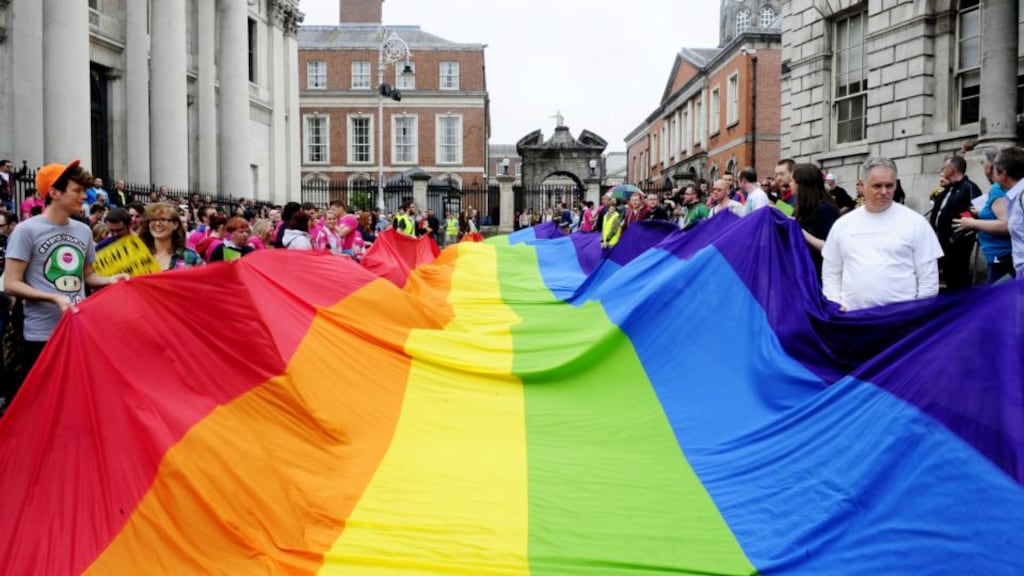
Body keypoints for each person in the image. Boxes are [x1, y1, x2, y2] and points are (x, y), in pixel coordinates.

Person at [3, 160, 128, 395]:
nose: (84, 196)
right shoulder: (26, 230)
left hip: (79, 331)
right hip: (40, 336)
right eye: (77, 190)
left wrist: (112, 280)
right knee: (44, 403)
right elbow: (11, 283)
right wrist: (54, 298)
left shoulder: (83, 230)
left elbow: (88, 276)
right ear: (54, 192)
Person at [821, 157, 943, 311]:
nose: (884, 192)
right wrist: (835, 305)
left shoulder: (916, 223)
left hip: (900, 321)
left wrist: (917, 313)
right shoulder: (842, 225)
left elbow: (928, 278)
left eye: (889, 185)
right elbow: (831, 272)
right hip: (852, 320)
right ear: (863, 185)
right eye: (877, 186)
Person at [953, 149, 1013, 282]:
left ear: (990, 166)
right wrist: (980, 212)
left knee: (998, 299)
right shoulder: (998, 188)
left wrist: (971, 223)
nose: (982, 166)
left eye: (983, 162)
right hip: (998, 256)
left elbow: (1005, 224)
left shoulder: (996, 189)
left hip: (1001, 256)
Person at [930, 155, 983, 291]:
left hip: (957, 246)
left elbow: (973, 215)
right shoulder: (949, 188)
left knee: (958, 281)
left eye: (944, 168)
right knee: (946, 280)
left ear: (952, 169)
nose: (941, 171)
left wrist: (954, 238)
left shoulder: (969, 187)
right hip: (940, 242)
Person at [793, 163, 840, 276]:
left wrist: (799, 230)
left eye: (792, 180)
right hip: (807, 270)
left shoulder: (824, 210)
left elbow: (829, 246)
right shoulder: (805, 207)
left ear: (801, 184)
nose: (790, 184)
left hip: (819, 274)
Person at [987, 146, 1023, 279]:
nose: (993, 177)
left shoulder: (1022, 197)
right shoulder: (1015, 196)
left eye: (994, 172)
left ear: (1003, 173)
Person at [138, 202, 202, 270]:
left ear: (175, 225)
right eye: (153, 219)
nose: (157, 224)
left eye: (163, 219)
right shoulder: (137, 255)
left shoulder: (190, 257)